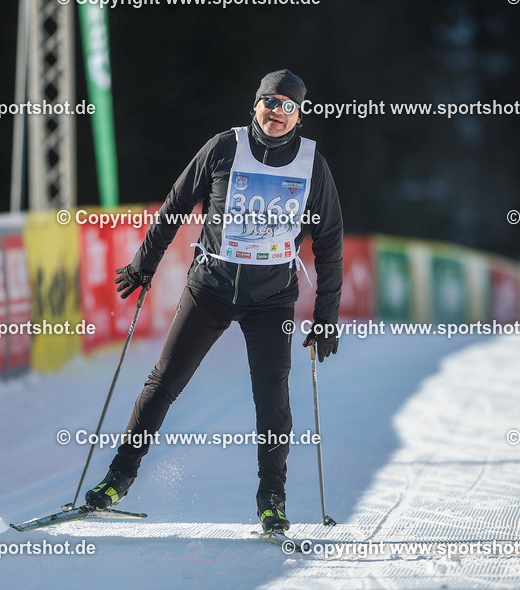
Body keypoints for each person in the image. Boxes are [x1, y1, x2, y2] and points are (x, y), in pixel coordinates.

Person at [85, 70, 344, 533]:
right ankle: (117, 478)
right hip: (211, 287)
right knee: (164, 381)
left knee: (272, 398)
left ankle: (272, 500)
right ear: (255, 105)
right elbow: (176, 203)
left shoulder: (312, 165)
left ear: (300, 115)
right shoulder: (224, 147)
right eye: (270, 102)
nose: (277, 113)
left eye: (288, 106)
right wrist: (145, 263)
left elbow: (329, 244)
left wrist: (326, 317)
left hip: (272, 300)